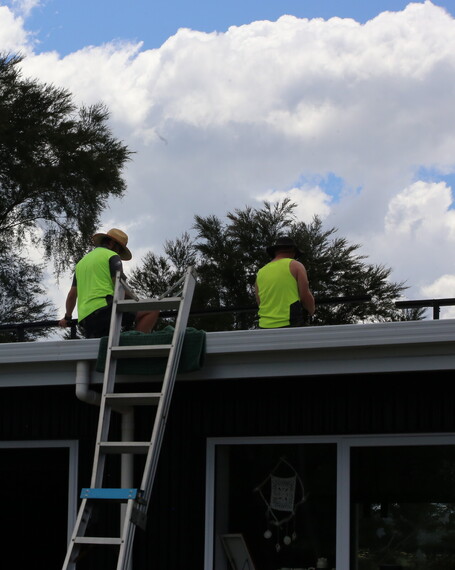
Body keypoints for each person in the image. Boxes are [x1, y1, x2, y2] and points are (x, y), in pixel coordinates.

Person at [59, 228, 159, 338]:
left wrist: (67, 318)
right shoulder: (112, 256)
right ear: (111, 243)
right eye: (119, 249)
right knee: (152, 309)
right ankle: (136, 344)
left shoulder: (81, 263)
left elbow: (72, 295)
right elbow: (120, 287)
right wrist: (137, 301)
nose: (119, 253)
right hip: (105, 311)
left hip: (86, 320)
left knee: (104, 346)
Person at [255, 235, 315, 329]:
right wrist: (312, 311)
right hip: (290, 323)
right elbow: (305, 295)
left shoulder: (261, 272)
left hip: (264, 326)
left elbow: (259, 301)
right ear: (293, 251)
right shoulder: (296, 265)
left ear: (275, 252)